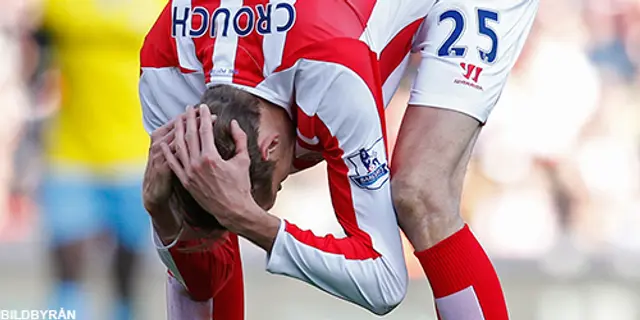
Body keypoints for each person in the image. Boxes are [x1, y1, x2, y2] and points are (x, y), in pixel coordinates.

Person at [140, 0, 538, 318]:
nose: (280, 189)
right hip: (325, 26)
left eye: (272, 190)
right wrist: (163, 216)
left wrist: (251, 220)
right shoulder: (166, 71)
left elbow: (384, 281)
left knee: (421, 193)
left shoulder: (331, 71)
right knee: (199, 212)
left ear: (271, 148)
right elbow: (204, 268)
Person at [37, 0, 165, 318]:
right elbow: (36, 52)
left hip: (135, 154)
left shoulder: (161, 6)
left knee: (127, 274)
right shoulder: (59, 6)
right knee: (67, 269)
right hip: (70, 152)